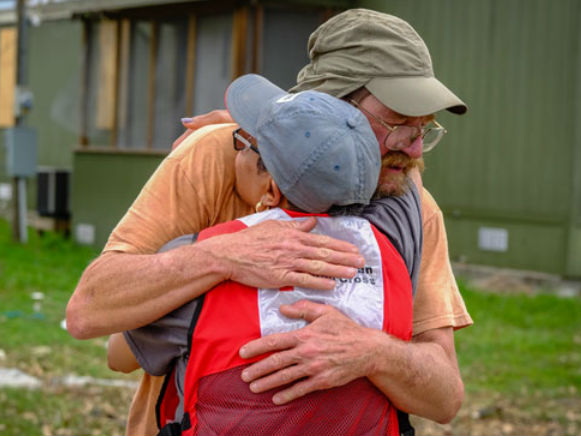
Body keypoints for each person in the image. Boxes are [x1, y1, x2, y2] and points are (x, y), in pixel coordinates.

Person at [67, 8, 472, 436]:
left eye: (423, 129)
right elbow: (88, 311)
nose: (413, 153)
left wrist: (372, 352)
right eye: (396, 124)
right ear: (332, 103)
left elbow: (444, 398)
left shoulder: (410, 204)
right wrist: (219, 257)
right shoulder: (213, 157)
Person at [124, 74, 417, 436]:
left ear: (273, 189)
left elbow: (119, 353)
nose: (238, 146)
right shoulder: (395, 253)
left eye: (246, 143)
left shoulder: (208, 257)